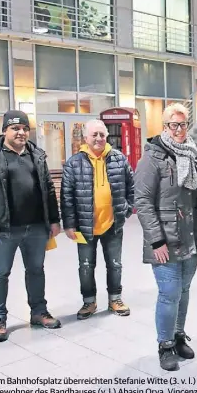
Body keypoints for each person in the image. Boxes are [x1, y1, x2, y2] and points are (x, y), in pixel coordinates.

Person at [0, 110, 62, 343]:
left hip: (36, 227)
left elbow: (49, 189)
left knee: (36, 270)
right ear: (4, 131)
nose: (21, 132)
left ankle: (38, 312)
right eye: (15, 128)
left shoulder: (36, 155)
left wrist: (53, 219)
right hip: (3, 229)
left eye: (24, 128)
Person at [134, 103, 197, 372]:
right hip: (164, 239)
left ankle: (177, 335)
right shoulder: (152, 158)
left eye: (183, 124)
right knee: (169, 293)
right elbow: (141, 200)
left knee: (184, 290)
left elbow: (196, 198)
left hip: (190, 238)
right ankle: (164, 345)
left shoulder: (193, 154)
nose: (178, 129)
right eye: (173, 125)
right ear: (164, 127)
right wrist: (156, 240)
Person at [60, 119, 135, 320]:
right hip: (85, 227)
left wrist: (126, 211)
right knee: (85, 265)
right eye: (95, 135)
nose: (99, 138)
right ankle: (89, 302)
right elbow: (66, 196)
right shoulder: (74, 163)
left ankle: (115, 299)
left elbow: (131, 186)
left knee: (115, 264)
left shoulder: (119, 158)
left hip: (112, 224)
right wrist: (68, 224)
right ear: (86, 138)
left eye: (102, 134)